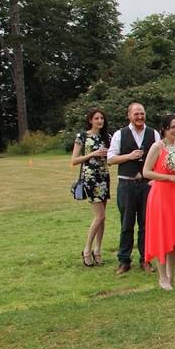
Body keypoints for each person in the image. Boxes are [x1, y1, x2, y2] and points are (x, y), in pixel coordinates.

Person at [107, 102, 160, 275]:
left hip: (146, 184)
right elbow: (110, 159)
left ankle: (146, 259)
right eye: (136, 114)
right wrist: (129, 156)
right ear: (129, 115)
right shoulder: (120, 134)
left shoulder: (153, 133)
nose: (139, 117)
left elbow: (160, 158)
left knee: (146, 224)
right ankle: (124, 261)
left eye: (142, 114)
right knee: (126, 223)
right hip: (127, 183)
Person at [142, 114, 175, 290]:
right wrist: (168, 178)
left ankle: (171, 276)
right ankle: (162, 276)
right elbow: (146, 172)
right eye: (173, 127)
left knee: (174, 236)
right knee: (162, 235)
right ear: (164, 129)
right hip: (161, 195)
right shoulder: (157, 146)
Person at [70, 107, 111, 267]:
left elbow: (111, 155)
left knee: (103, 217)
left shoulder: (107, 136)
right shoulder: (82, 136)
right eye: (96, 118)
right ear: (90, 120)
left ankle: (98, 250)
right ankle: (87, 249)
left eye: (101, 118)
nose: (100, 121)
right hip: (91, 178)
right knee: (99, 216)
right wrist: (93, 154)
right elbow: (74, 160)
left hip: (104, 177)